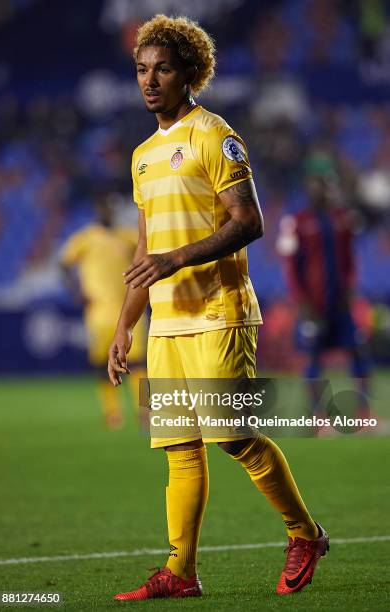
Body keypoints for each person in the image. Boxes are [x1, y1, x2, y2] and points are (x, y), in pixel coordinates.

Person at [107, 14, 329, 599]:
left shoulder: (214, 134)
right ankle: (180, 572)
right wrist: (125, 325)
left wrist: (177, 260)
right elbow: (144, 249)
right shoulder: (142, 155)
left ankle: (304, 532)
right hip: (167, 322)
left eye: (162, 69)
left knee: (231, 435)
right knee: (179, 449)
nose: (149, 81)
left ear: (190, 73)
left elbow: (248, 221)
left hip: (219, 311)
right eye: (141, 70)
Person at [278, 154, 370, 418]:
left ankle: (364, 414)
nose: (324, 187)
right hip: (313, 305)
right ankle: (318, 418)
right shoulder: (296, 222)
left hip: (340, 302)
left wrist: (351, 287)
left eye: (328, 181)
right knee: (313, 358)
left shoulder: (343, 219)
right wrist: (302, 302)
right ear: (309, 185)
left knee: (358, 352)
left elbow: (350, 259)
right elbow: (290, 267)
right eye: (319, 182)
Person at [60, 190, 147, 429]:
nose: (109, 211)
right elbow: (64, 265)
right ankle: (112, 413)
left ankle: (145, 413)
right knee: (101, 363)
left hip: (129, 309)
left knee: (139, 362)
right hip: (98, 312)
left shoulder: (128, 237)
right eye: (105, 207)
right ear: (98, 209)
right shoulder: (85, 239)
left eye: (112, 207)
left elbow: (146, 256)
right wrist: (78, 294)